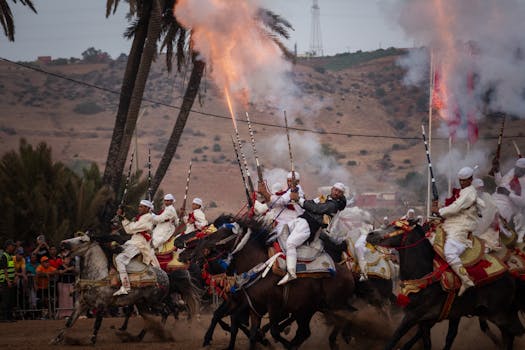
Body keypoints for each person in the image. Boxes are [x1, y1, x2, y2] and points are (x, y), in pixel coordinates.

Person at [278, 182, 347, 285]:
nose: (336, 193)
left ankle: (291, 273)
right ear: (332, 189)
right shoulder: (324, 198)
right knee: (280, 232)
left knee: (290, 243)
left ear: (342, 195)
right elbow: (310, 203)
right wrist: (296, 194)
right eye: (335, 190)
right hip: (302, 219)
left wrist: (299, 199)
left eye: (339, 192)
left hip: (309, 225)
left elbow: (316, 208)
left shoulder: (333, 205)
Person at [432, 167, 484, 296]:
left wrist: (440, 211)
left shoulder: (469, 193)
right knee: (431, 238)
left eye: (465, 181)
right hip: (451, 224)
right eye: (460, 181)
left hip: (461, 227)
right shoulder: (464, 191)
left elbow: (456, 207)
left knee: (450, 252)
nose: (462, 183)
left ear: (471, 179)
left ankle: (466, 281)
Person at [113, 199, 159, 296]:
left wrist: (124, 219)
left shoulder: (147, 217)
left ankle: (126, 287)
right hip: (133, 241)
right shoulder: (140, 217)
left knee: (119, 259)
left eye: (141, 207)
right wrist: (122, 217)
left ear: (147, 208)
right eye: (139, 206)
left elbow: (131, 229)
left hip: (139, 244)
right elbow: (129, 229)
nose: (139, 208)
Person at [259, 172, 305, 237]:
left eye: (291, 181)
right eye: (288, 181)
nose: (289, 183)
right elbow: (273, 205)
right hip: (285, 217)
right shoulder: (288, 190)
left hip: (294, 218)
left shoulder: (297, 190)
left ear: (297, 181)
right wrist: (265, 195)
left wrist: (265, 193)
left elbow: (281, 200)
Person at [493, 158, 525, 243]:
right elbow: (499, 183)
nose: (516, 171)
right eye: (516, 168)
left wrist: (508, 194)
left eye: (520, 170)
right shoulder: (513, 171)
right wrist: (497, 172)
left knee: (494, 221)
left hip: (507, 206)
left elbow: (522, 203)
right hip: (495, 198)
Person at [472, 178, 501, 252]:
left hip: (487, 226)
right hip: (474, 226)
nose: (480, 189)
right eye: (478, 188)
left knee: (490, 238)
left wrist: (495, 220)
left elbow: (495, 209)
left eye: (481, 187)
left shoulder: (487, 196)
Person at [1, 240, 17, 322]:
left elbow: (12, 269)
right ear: (7, 246)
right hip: (5, 281)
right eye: (12, 245)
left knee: (11, 299)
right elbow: (5, 269)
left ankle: (10, 317)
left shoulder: (10, 255)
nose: (13, 247)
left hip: (10, 281)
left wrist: (14, 278)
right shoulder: (4, 256)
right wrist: (8, 280)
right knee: (6, 299)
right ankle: (4, 317)